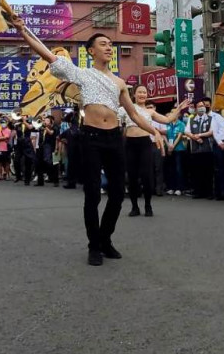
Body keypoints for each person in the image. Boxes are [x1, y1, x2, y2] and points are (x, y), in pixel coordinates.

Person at [18, 20, 160, 266]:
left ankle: (105, 239)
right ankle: (94, 246)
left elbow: (135, 115)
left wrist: (155, 132)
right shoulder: (81, 74)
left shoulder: (119, 83)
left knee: (117, 193)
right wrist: (22, 32)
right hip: (91, 137)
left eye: (110, 45)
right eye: (103, 44)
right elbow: (49, 56)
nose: (108, 47)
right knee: (92, 194)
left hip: (115, 137)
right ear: (91, 51)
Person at [122, 86, 188, 215]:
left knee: (147, 176)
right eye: (139, 92)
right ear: (134, 94)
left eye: (144, 92)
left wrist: (179, 108)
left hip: (145, 144)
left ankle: (148, 205)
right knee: (132, 177)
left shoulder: (150, 112)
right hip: (130, 144)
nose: (142, 94)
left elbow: (167, 119)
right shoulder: (126, 109)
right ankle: (134, 207)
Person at [187, 99, 214, 201]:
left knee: (208, 171)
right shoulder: (192, 118)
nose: (201, 108)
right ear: (195, 108)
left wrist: (200, 135)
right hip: (195, 149)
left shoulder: (210, 118)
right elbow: (187, 131)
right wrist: (195, 137)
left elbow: (211, 131)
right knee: (197, 171)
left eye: (202, 106)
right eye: (199, 106)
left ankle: (209, 192)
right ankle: (198, 192)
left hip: (207, 149)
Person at [165, 111, 189, 196]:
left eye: (174, 113)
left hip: (179, 149)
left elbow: (179, 136)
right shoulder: (167, 123)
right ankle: (171, 187)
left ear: (178, 115)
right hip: (168, 149)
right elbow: (164, 135)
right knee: (170, 168)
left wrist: (172, 146)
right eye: (171, 113)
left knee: (179, 169)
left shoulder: (181, 124)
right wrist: (168, 146)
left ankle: (179, 188)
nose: (172, 114)